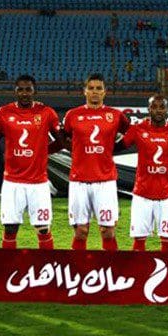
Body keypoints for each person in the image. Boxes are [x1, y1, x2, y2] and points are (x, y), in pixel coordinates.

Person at [0, 75, 64, 250]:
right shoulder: (4, 112)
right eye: (21, 90)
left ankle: (46, 264)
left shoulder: (46, 112)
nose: (24, 93)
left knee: (43, 228)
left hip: (38, 183)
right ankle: (8, 264)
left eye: (28, 89)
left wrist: (44, 151)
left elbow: (61, 140)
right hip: (12, 182)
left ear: (34, 91)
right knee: (10, 229)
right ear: (15, 91)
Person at [62, 73, 130, 251]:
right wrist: (75, 149)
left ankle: (111, 266)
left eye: (99, 88)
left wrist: (113, 148)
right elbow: (63, 138)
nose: (94, 92)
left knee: (108, 231)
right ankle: (78, 266)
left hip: (105, 181)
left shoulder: (115, 115)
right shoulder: (72, 115)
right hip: (79, 181)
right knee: (80, 231)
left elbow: (131, 135)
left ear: (104, 92)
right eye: (91, 88)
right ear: (84, 91)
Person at [120, 95, 168, 251]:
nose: (158, 110)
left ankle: (167, 268)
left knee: (167, 241)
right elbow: (118, 147)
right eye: (154, 107)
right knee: (139, 241)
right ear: (148, 109)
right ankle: (139, 268)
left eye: (162, 107)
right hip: (142, 195)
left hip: (167, 196)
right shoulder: (138, 129)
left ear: (167, 110)